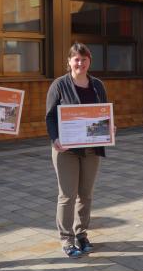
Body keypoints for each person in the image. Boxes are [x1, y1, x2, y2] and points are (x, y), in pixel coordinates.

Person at [45, 43, 111, 258]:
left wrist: (110, 127)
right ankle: (66, 239)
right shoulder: (59, 85)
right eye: (76, 59)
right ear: (69, 61)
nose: (80, 63)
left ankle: (81, 233)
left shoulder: (98, 85)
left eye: (84, 59)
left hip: (91, 149)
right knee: (67, 195)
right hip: (67, 150)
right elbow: (50, 116)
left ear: (89, 61)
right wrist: (54, 138)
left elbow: (103, 112)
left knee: (86, 194)